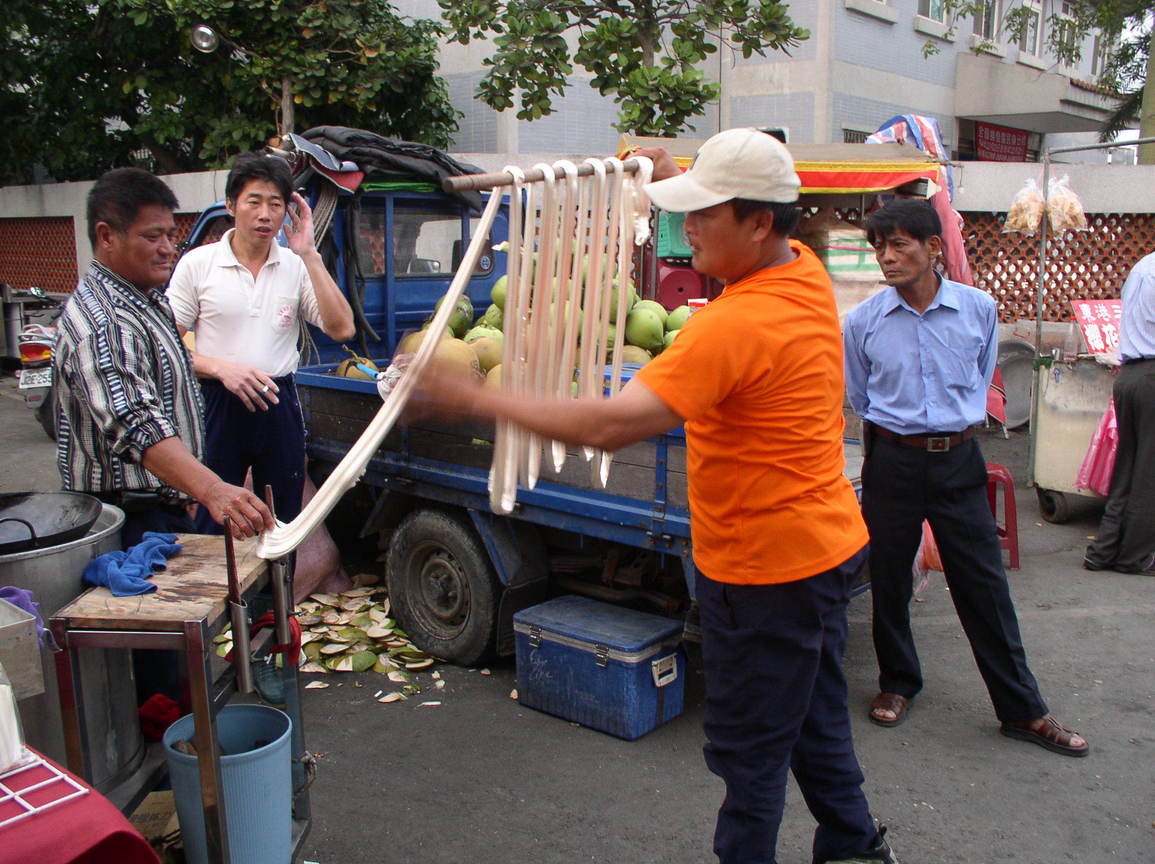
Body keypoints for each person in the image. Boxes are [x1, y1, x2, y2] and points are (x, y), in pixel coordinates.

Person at [420, 128, 895, 864]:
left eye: (703, 213)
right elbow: (727, 236)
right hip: (820, 554)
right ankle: (855, 848)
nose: (685, 227)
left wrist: (474, 397)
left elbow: (611, 424)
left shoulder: (735, 325)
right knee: (813, 722)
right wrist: (686, 179)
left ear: (758, 221)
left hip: (763, 573)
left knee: (750, 759)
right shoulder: (799, 271)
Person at [842, 199, 1088, 756]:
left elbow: (980, 382)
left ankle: (1021, 710)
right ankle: (897, 683)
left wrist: (947, 430)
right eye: (879, 246)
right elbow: (860, 396)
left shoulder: (979, 309)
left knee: (984, 583)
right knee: (888, 577)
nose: (886, 256)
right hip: (893, 460)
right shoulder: (863, 321)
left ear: (933, 248)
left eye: (899, 244)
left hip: (957, 460)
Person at [54, 167, 275, 546]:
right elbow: (135, 421)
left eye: (170, 235)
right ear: (107, 236)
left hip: (163, 504)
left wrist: (188, 489)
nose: (167, 248)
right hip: (127, 520)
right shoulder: (105, 322)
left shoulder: (148, 300)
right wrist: (211, 489)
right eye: (152, 236)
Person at [167, 154, 354, 530]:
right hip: (218, 401)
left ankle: (275, 589)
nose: (265, 215)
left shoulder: (296, 265)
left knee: (283, 518)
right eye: (254, 202)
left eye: (276, 204)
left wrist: (309, 254)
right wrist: (220, 369)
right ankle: (221, 589)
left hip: (277, 399)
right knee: (214, 514)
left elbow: (342, 329)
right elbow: (167, 344)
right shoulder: (198, 264)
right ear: (231, 205)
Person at [1083, 251, 1155, 574]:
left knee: (1127, 467)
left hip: (1130, 373)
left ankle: (1104, 549)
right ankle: (1135, 556)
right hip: (1150, 373)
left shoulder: (1143, 268)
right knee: (1148, 473)